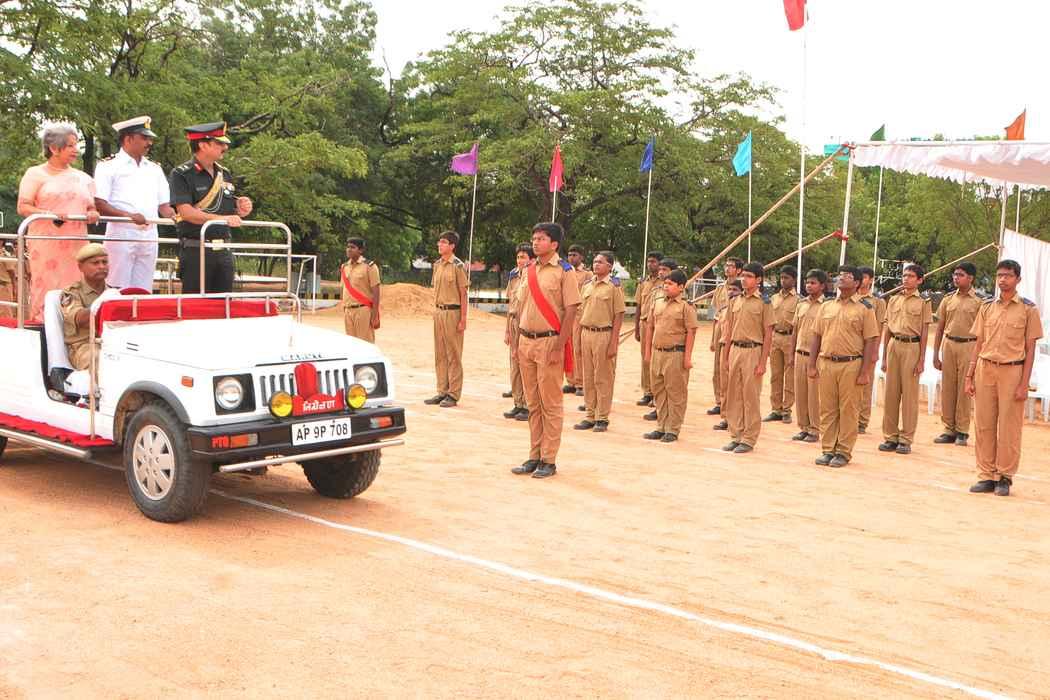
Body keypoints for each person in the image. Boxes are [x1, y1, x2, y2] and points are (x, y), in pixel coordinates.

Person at [965, 259, 1043, 497]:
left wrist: (1024, 384)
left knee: (1009, 427)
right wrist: (969, 375)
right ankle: (986, 475)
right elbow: (979, 343)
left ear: (1018, 279)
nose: (1002, 280)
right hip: (985, 369)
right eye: (999, 275)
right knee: (984, 424)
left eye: (1008, 275)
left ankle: (1004, 476)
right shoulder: (987, 307)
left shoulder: (1028, 310)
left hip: (1012, 371)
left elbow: (1030, 350)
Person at [511, 222, 581, 479]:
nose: (535, 242)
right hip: (526, 342)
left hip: (549, 342)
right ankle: (534, 455)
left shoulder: (564, 272)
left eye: (541, 238)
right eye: (534, 238)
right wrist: (517, 342)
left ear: (554, 244)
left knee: (550, 403)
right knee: (533, 403)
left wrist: (559, 346)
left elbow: (571, 310)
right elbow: (520, 308)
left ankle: (548, 459)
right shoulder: (528, 270)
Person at [16, 123, 100, 322]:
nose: (76, 150)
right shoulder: (35, 174)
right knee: (48, 285)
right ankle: (44, 324)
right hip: (47, 243)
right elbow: (23, 206)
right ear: (54, 148)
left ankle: (76, 325)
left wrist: (92, 212)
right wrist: (49, 214)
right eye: (70, 146)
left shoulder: (83, 178)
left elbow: (91, 205)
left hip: (77, 242)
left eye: (76, 145)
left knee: (78, 284)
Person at [807, 266, 880, 468]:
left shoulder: (865, 308)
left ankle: (843, 451)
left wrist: (865, 372)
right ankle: (828, 449)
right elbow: (816, 336)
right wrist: (811, 364)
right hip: (827, 363)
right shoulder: (827, 307)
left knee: (848, 410)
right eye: (840, 275)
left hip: (851, 364)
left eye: (847, 276)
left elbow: (870, 341)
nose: (841, 278)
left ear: (857, 283)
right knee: (827, 409)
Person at [169, 122, 253, 295]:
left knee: (224, 304)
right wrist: (223, 219)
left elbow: (225, 207)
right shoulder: (182, 174)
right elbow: (186, 212)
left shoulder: (224, 173)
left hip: (224, 250)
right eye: (219, 143)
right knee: (195, 305)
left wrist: (240, 207)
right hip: (196, 250)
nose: (225, 147)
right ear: (202, 145)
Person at [93, 116, 175, 291]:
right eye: (144, 138)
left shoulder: (154, 169)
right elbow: (100, 203)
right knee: (117, 288)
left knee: (143, 289)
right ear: (128, 139)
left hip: (150, 234)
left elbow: (164, 206)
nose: (149, 143)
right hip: (122, 233)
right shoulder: (108, 166)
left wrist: (177, 217)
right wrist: (128, 216)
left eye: (150, 138)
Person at [878, 264, 933, 455]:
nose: (906, 279)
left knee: (909, 396)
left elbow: (924, 331)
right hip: (894, 344)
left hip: (912, 346)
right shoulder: (893, 299)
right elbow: (887, 329)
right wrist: (884, 357)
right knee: (891, 394)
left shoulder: (924, 302)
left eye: (910, 276)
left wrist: (921, 359)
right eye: (904, 275)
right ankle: (890, 436)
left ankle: (906, 438)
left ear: (919, 280)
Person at [721, 262, 773, 454]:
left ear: (758, 280)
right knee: (734, 395)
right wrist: (726, 356)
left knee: (750, 396)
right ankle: (736, 435)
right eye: (743, 276)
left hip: (753, 350)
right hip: (735, 349)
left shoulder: (764, 303)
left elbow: (768, 334)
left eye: (749, 276)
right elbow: (729, 331)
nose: (744, 279)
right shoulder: (735, 301)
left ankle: (749, 438)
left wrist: (762, 362)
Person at [643, 269, 698, 442]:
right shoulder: (658, 302)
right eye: (665, 283)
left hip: (675, 354)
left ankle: (673, 429)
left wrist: (687, 358)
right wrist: (647, 352)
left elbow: (691, 332)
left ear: (681, 287)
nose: (666, 286)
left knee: (676, 393)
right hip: (657, 352)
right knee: (659, 391)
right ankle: (661, 426)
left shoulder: (686, 306)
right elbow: (650, 327)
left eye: (670, 284)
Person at [574, 251, 625, 432]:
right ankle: (590, 415)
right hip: (586, 332)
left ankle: (602, 417)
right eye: (595, 261)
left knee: (603, 378)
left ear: (609, 266)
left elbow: (619, 315)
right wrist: (578, 339)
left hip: (604, 334)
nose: (596, 264)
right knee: (588, 377)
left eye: (600, 262)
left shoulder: (614, 287)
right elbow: (580, 312)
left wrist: (613, 342)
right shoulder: (587, 285)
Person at [932, 262, 981, 447]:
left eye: (960, 275)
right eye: (955, 274)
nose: (956, 277)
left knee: (964, 389)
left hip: (969, 345)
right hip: (949, 344)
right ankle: (948, 429)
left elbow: (982, 331)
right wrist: (935, 354)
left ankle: (962, 430)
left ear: (970, 278)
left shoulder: (979, 301)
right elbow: (939, 328)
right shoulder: (948, 299)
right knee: (948, 388)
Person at [424, 231, 469, 408]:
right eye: (439, 242)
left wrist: (463, 318)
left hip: (453, 312)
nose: (439, 245)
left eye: (443, 242)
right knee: (440, 353)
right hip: (439, 312)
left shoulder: (458, 266)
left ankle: (453, 393)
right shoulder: (437, 265)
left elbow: (463, 293)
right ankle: (442, 390)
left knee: (454, 354)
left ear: (452, 246)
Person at [60, 243, 114, 372]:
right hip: (83, 346)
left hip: (111, 342)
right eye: (95, 263)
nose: (102, 267)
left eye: (105, 262)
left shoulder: (113, 292)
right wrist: (103, 303)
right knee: (100, 360)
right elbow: (80, 319)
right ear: (81, 267)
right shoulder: (71, 293)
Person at [790, 269, 826, 443]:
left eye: (813, 283)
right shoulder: (801, 305)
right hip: (799, 353)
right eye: (807, 282)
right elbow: (795, 331)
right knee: (801, 392)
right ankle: (803, 427)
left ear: (822, 286)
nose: (809, 285)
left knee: (814, 395)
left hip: (816, 357)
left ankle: (814, 429)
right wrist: (791, 354)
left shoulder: (826, 306)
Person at [642, 258, 677, 422]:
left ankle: (669, 413)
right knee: (656, 376)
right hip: (656, 336)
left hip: (671, 342)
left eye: (665, 270)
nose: (661, 272)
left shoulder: (679, 294)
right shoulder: (657, 292)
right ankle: (657, 405)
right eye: (660, 269)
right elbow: (651, 319)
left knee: (670, 380)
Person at [503, 243, 535, 420]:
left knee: (526, 366)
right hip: (514, 322)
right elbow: (510, 305)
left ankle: (529, 406)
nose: (519, 260)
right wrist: (507, 330)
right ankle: (518, 403)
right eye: (518, 257)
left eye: (523, 257)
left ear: (531, 259)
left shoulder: (534, 276)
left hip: (527, 324)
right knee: (514, 365)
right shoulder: (514, 275)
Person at [765, 266, 799, 424]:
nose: (783, 280)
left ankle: (787, 409)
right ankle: (776, 409)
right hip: (775, 337)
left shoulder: (799, 300)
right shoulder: (774, 298)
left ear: (794, 280)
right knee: (775, 375)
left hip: (790, 338)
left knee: (790, 376)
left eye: (786, 278)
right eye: (781, 277)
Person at [709, 257, 743, 415]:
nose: (728, 268)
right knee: (717, 368)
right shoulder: (720, 289)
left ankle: (731, 402)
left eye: (731, 266)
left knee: (729, 367)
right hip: (720, 328)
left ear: (739, 270)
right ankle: (719, 401)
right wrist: (712, 339)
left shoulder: (741, 287)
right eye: (726, 266)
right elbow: (715, 314)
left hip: (734, 329)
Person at [856, 266, 887, 433]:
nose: (862, 280)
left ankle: (862, 421)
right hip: (851, 347)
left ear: (871, 280)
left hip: (868, 348)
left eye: (865, 277)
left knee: (865, 385)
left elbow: (879, 328)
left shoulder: (878, 302)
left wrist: (875, 351)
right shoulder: (850, 298)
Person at [562, 244, 593, 396]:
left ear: (581, 257)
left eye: (575, 255)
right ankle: (571, 381)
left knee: (579, 349)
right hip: (566, 315)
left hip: (580, 315)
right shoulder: (565, 271)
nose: (571, 258)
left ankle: (581, 383)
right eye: (569, 255)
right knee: (567, 347)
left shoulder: (587, 274)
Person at [713, 279, 743, 431]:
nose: (731, 292)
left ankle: (738, 418)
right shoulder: (724, 310)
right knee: (724, 385)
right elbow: (719, 329)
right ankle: (725, 416)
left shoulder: (742, 309)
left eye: (735, 290)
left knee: (737, 387)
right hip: (724, 348)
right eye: (730, 289)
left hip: (738, 349)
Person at [634, 250, 662, 406]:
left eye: (653, 262)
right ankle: (647, 391)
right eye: (649, 261)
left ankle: (657, 392)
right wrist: (637, 328)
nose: (650, 264)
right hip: (644, 323)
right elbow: (639, 305)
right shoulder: (643, 282)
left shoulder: (665, 282)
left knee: (657, 359)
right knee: (645, 358)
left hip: (659, 325)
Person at [340, 237, 381, 342]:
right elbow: (344, 289)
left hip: (363, 310)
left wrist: (374, 315)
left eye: (352, 247)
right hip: (348, 310)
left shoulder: (369, 266)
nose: (349, 249)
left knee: (365, 343)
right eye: (348, 247)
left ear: (361, 250)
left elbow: (376, 292)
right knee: (351, 344)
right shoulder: (344, 267)